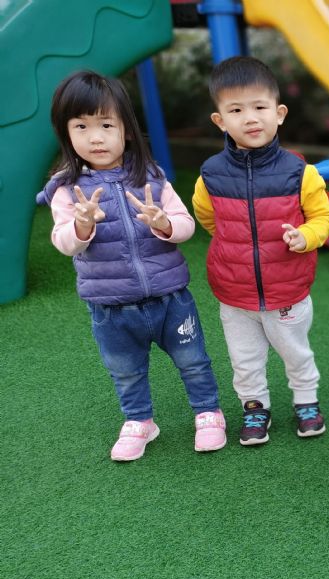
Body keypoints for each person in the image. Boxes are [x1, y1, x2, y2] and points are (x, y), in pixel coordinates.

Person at [43, 70, 225, 461]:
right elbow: (63, 241)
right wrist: (82, 224)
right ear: (66, 133)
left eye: (106, 125)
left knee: (193, 360)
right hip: (111, 307)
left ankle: (208, 411)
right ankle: (140, 420)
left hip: (170, 298)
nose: (95, 137)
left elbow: (186, 226)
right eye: (81, 126)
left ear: (125, 130)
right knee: (126, 371)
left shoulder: (151, 177)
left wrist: (163, 223)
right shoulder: (65, 189)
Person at [192, 57, 329, 446]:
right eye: (236, 110)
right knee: (244, 359)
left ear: (279, 113)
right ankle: (255, 408)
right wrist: (233, 244)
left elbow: (324, 217)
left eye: (259, 107)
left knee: (296, 353)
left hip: (287, 289)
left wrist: (305, 236)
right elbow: (208, 217)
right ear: (220, 120)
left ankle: (306, 402)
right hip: (234, 293)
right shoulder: (211, 174)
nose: (251, 118)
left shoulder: (299, 172)